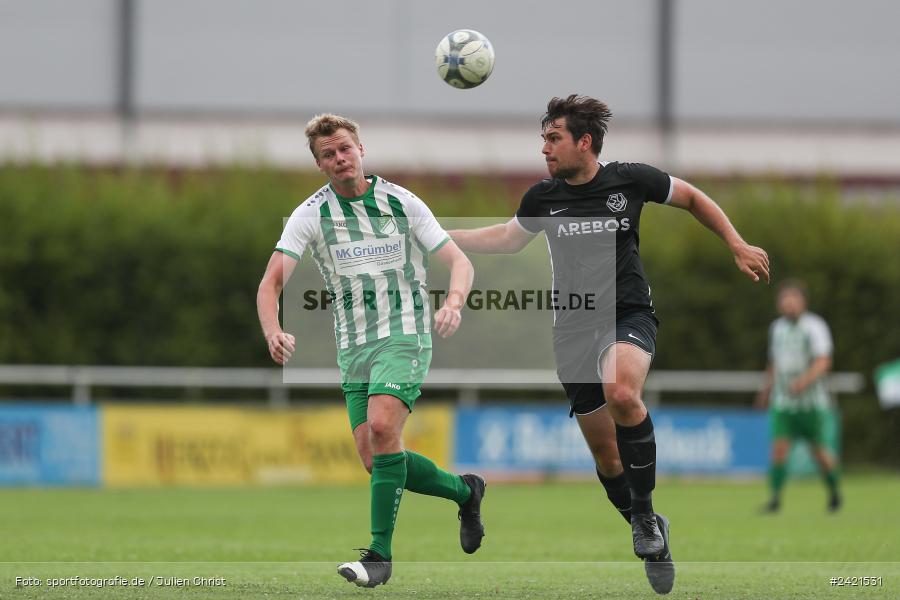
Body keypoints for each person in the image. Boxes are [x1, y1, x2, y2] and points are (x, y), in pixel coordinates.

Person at [449, 95, 769, 595]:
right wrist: (441, 238)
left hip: (628, 313)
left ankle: (644, 520)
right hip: (572, 328)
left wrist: (735, 242)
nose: (545, 149)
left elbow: (692, 198)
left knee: (622, 393)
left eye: (553, 139)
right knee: (607, 459)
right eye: (543, 140)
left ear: (584, 142)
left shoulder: (630, 179)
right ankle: (652, 531)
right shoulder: (543, 196)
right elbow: (509, 239)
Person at [256, 113, 484, 588]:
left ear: (361, 149)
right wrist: (273, 329)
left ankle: (379, 556)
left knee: (383, 429)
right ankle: (465, 491)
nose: (339, 159)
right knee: (376, 457)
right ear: (320, 165)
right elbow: (270, 283)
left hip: (405, 335)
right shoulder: (311, 214)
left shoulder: (400, 201)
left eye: (344, 149)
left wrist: (454, 303)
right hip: (354, 349)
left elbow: (458, 262)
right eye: (327, 154)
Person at [755, 280, 841, 513]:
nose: (789, 303)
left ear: (803, 302)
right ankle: (774, 500)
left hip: (811, 403)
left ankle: (834, 492)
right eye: (785, 299)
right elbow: (773, 363)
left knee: (819, 452)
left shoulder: (815, 326)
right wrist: (765, 391)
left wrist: (803, 382)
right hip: (783, 402)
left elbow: (824, 361)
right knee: (779, 449)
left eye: (794, 299)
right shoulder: (777, 328)